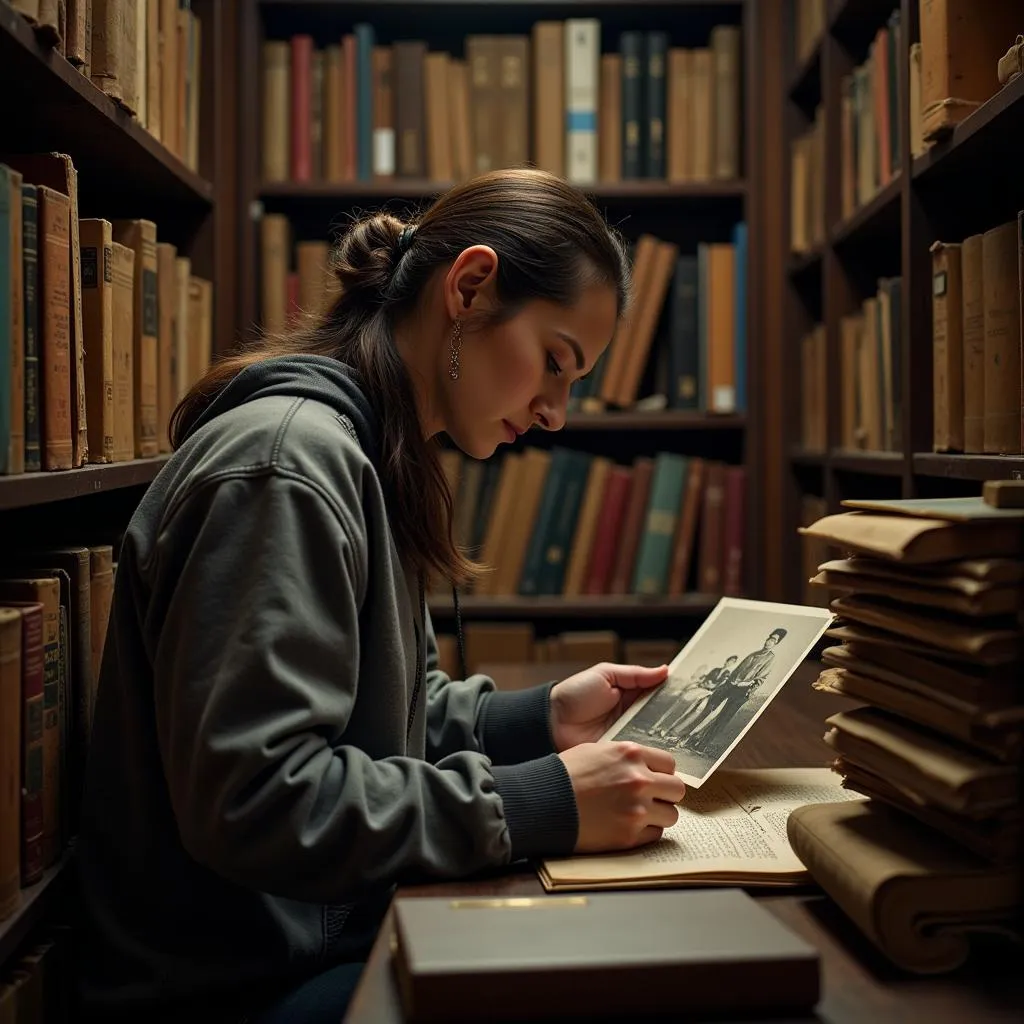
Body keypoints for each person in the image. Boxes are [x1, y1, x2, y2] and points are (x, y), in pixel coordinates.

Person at [75, 169, 688, 1023]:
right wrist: (541, 800)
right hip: (233, 989)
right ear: (470, 289)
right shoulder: (288, 466)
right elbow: (258, 799)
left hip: (309, 940)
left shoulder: (366, 452)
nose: (556, 412)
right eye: (555, 362)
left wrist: (541, 719)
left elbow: (370, 715)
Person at [682, 628, 788, 755]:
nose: (769, 641)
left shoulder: (771, 659)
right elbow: (736, 671)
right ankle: (687, 737)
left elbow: (760, 679)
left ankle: (701, 746)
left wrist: (746, 683)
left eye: (773, 640)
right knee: (709, 708)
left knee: (722, 719)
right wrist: (727, 684)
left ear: (776, 644)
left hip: (743, 692)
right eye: (769, 638)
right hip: (730, 686)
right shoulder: (753, 654)